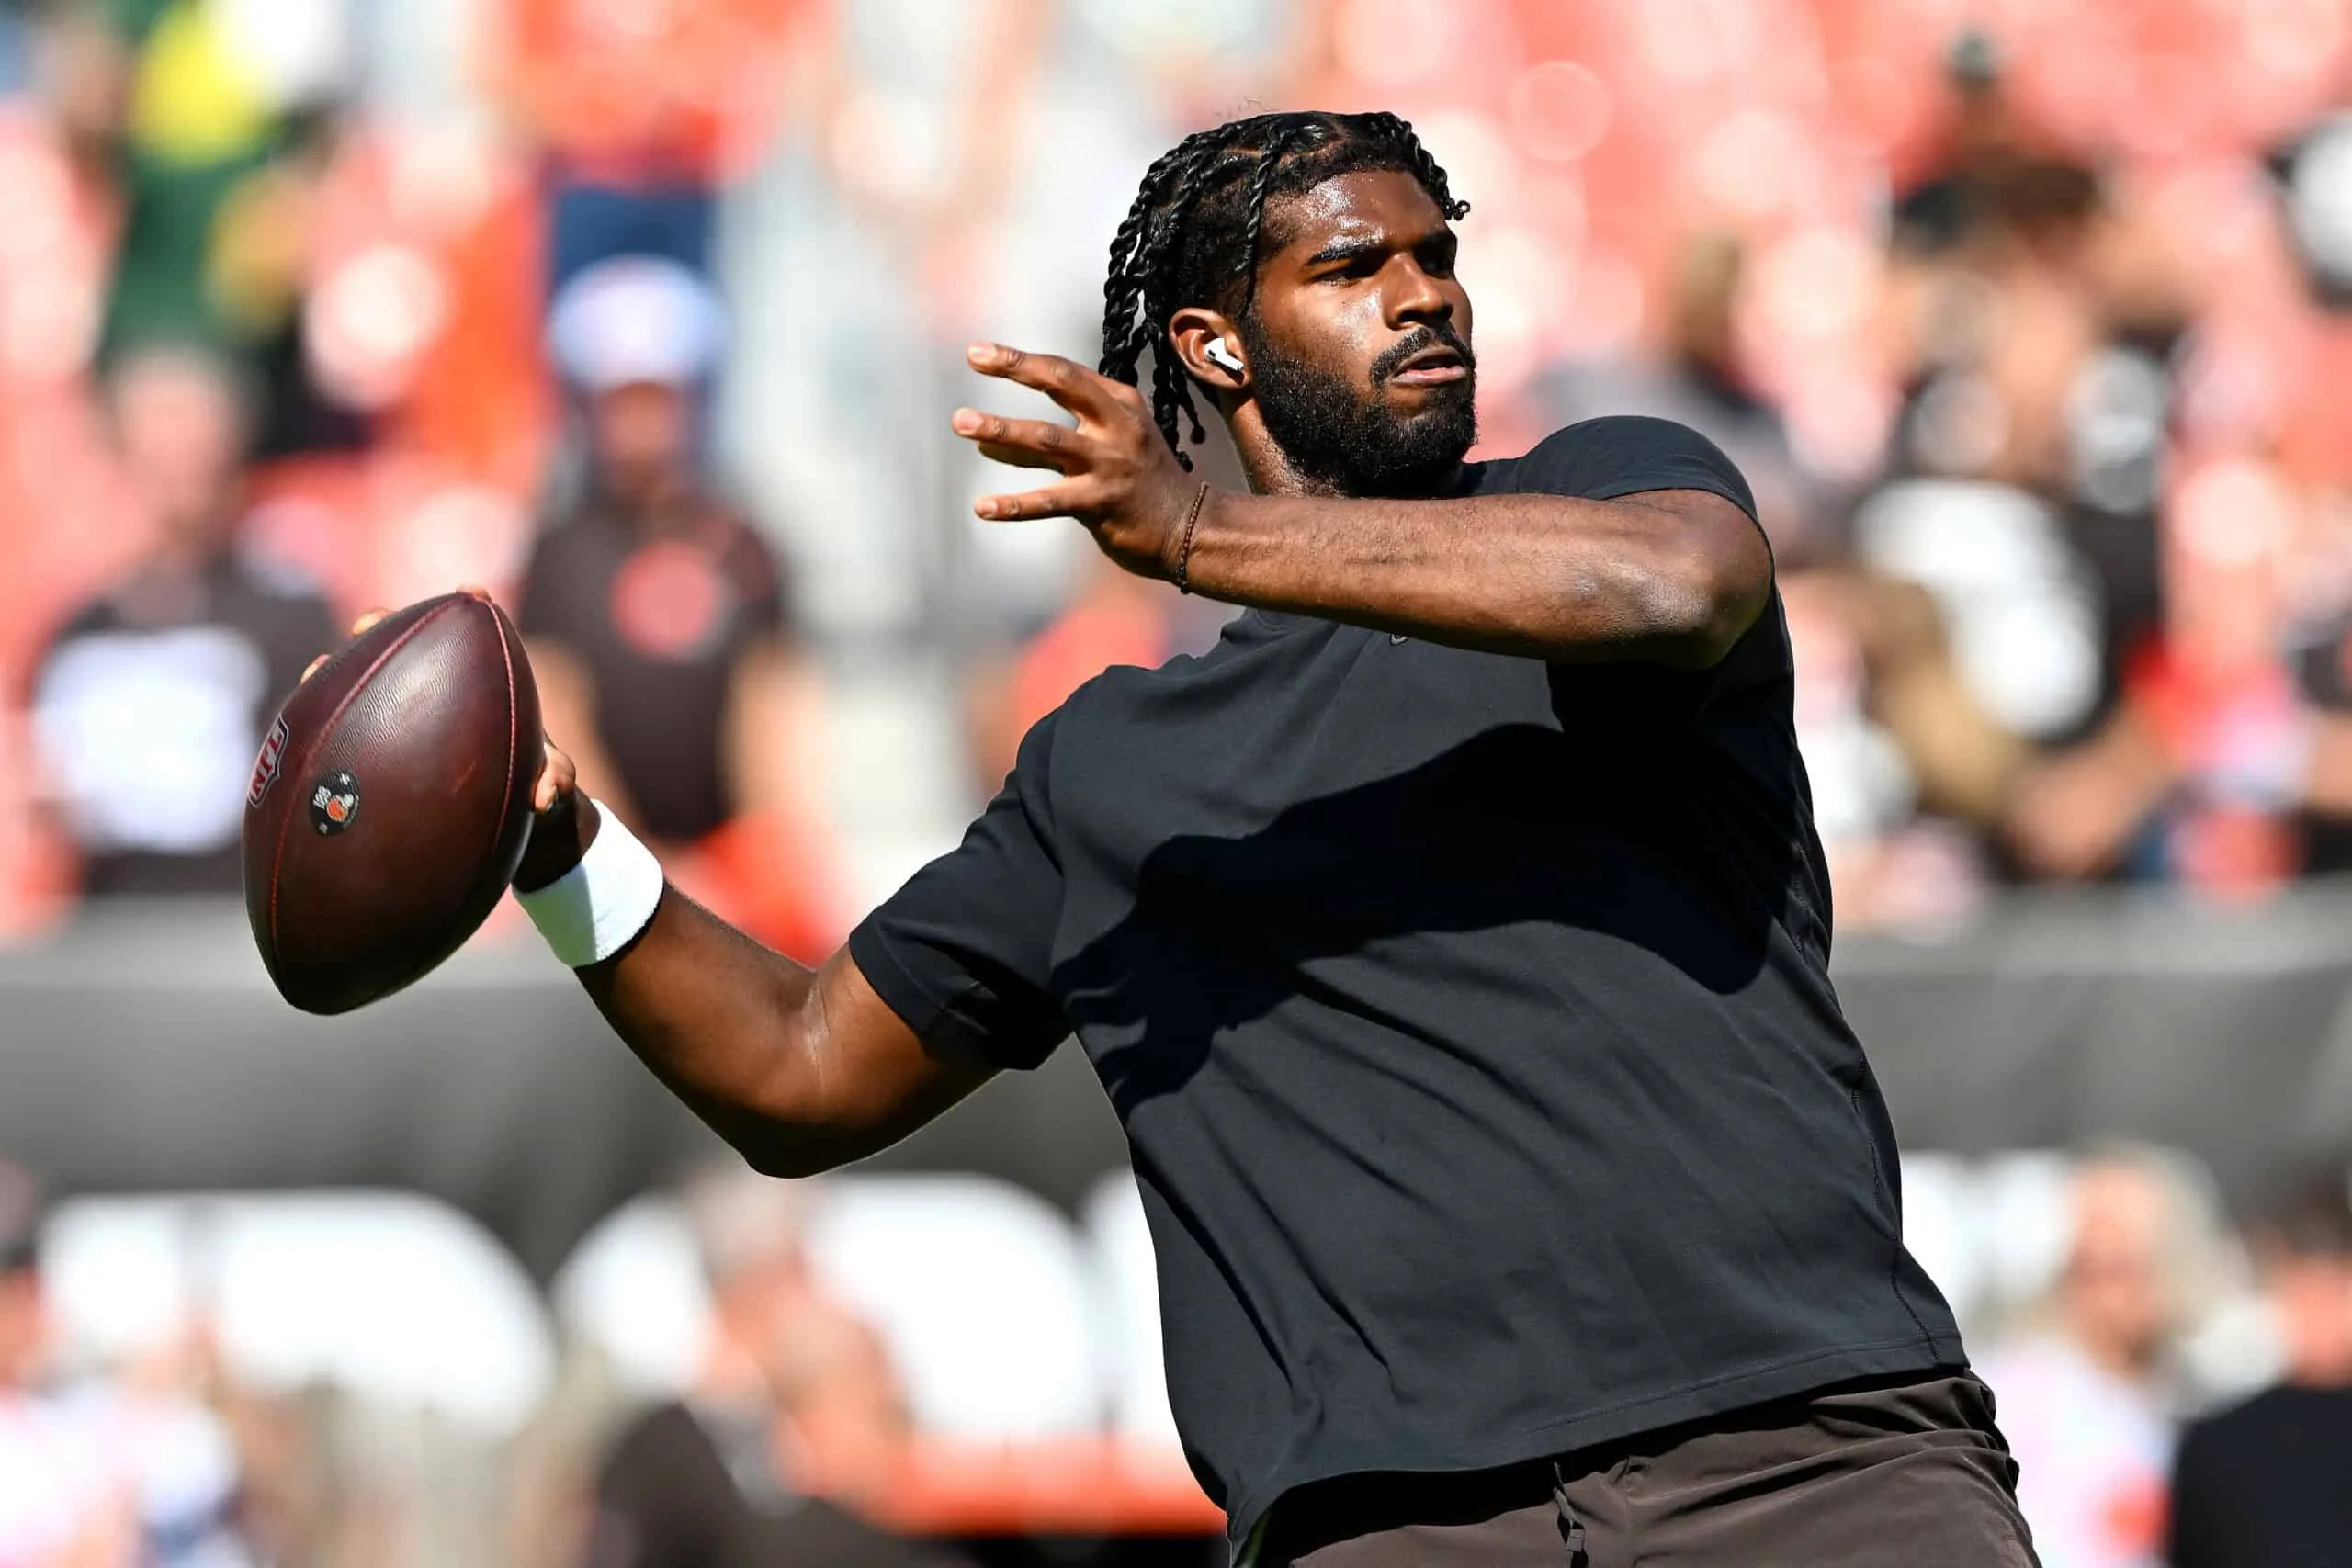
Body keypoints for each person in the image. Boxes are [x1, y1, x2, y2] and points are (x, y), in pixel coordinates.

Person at [328, 109, 2032, 1565]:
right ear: (1216, 346)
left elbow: (1679, 584)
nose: (1425, 292)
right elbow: (798, 1064)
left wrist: (1202, 535)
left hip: (1813, 1464)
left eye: (1436, 255)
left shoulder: (1603, 489)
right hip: (1390, 1522)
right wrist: (553, 844)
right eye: (1354, 269)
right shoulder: (1110, 772)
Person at [517, 255, 831, 961]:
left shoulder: (746, 543)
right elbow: (558, 720)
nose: (640, 418)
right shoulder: (557, 552)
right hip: (605, 856)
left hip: (730, 860)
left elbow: (772, 719)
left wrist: (757, 864)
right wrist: (646, 870)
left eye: (657, 394)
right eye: (621, 396)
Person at [31, 344, 338, 897]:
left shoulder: (287, 616)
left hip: (232, 925)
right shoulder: (80, 630)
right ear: (121, 458)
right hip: (106, 932)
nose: (179, 477)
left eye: (196, 453)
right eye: (160, 456)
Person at [585, 1165, 958, 1568]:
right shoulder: (664, 1447)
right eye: (799, 1271)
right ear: (753, 1292)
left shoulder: (790, 1430)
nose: (820, 1289)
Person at [1978, 1149, 2220, 1568]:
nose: (2109, 1290)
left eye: (2127, 1264)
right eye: (2093, 1267)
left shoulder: (2195, 1395)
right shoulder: (2013, 1398)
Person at [2167, 1170, 2352, 1568]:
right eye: (2308, 1291)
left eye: (2336, 1291)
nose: (2322, 1313)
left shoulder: (2215, 1443)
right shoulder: (2216, 1446)